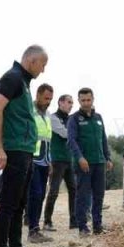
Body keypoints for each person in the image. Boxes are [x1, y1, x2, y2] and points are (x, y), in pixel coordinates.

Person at [0, 45, 47, 247]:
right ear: (31, 60)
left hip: (25, 151)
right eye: (42, 65)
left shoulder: (23, 83)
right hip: (13, 150)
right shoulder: (12, 78)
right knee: (8, 205)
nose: (42, 70)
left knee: (19, 204)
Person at [66, 87, 112, 236]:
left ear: (93, 99)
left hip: (99, 163)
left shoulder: (98, 118)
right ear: (79, 101)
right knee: (83, 196)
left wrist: (108, 157)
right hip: (84, 164)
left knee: (99, 195)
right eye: (83, 100)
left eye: (88, 100)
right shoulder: (74, 119)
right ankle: (82, 228)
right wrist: (80, 158)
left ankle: (97, 226)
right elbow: (71, 141)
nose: (86, 103)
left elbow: (103, 139)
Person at [44, 94, 78, 231]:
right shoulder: (53, 118)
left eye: (72, 103)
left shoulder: (70, 119)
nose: (71, 105)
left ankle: (73, 221)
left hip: (69, 160)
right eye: (69, 102)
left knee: (74, 190)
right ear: (60, 103)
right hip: (57, 160)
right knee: (54, 191)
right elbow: (65, 134)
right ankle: (47, 222)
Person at [27, 84, 55, 244]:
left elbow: (47, 140)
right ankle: (32, 230)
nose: (48, 101)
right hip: (32, 160)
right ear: (38, 95)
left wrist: (49, 160)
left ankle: (35, 228)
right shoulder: (30, 111)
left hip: (44, 161)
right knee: (35, 194)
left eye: (50, 99)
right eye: (46, 98)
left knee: (40, 195)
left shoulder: (47, 115)